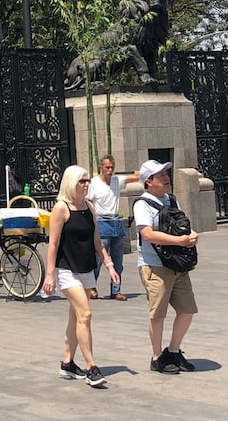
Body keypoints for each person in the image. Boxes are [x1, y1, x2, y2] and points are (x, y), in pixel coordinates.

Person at [43, 165, 120, 388]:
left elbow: (97, 241)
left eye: (87, 181)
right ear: (71, 183)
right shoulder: (61, 208)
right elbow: (53, 243)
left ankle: (67, 362)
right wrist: (50, 275)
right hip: (66, 270)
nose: (86, 185)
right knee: (85, 314)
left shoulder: (89, 207)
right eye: (82, 181)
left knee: (76, 317)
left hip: (86, 268)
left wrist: (109, 265)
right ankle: (91, 367)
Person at [133, 159, 199, 374]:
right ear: (149, 181)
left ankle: (173, 351)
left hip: (177, 263)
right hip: (154, 266)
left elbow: (182, 225)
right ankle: (157, 357)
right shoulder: (142, 204)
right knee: (157, 314)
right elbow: (147, 234)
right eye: (160, 174)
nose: (166, 177)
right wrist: (179, 241)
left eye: (165, 173)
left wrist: (190, 235)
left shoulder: (171, 200)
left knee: (187, 310)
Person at [87, 155, 139, 300]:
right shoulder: (94, 183)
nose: (110, 170)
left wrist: (147, 172)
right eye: (107, 167)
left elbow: (134, 178)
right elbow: (88, 201)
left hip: (116, 222)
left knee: (118, 260)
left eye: (112, 167)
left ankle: (116, 290)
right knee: (99, 258)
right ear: (101, 168)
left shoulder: (117, 180)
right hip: (101, 223)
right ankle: (92, 287)